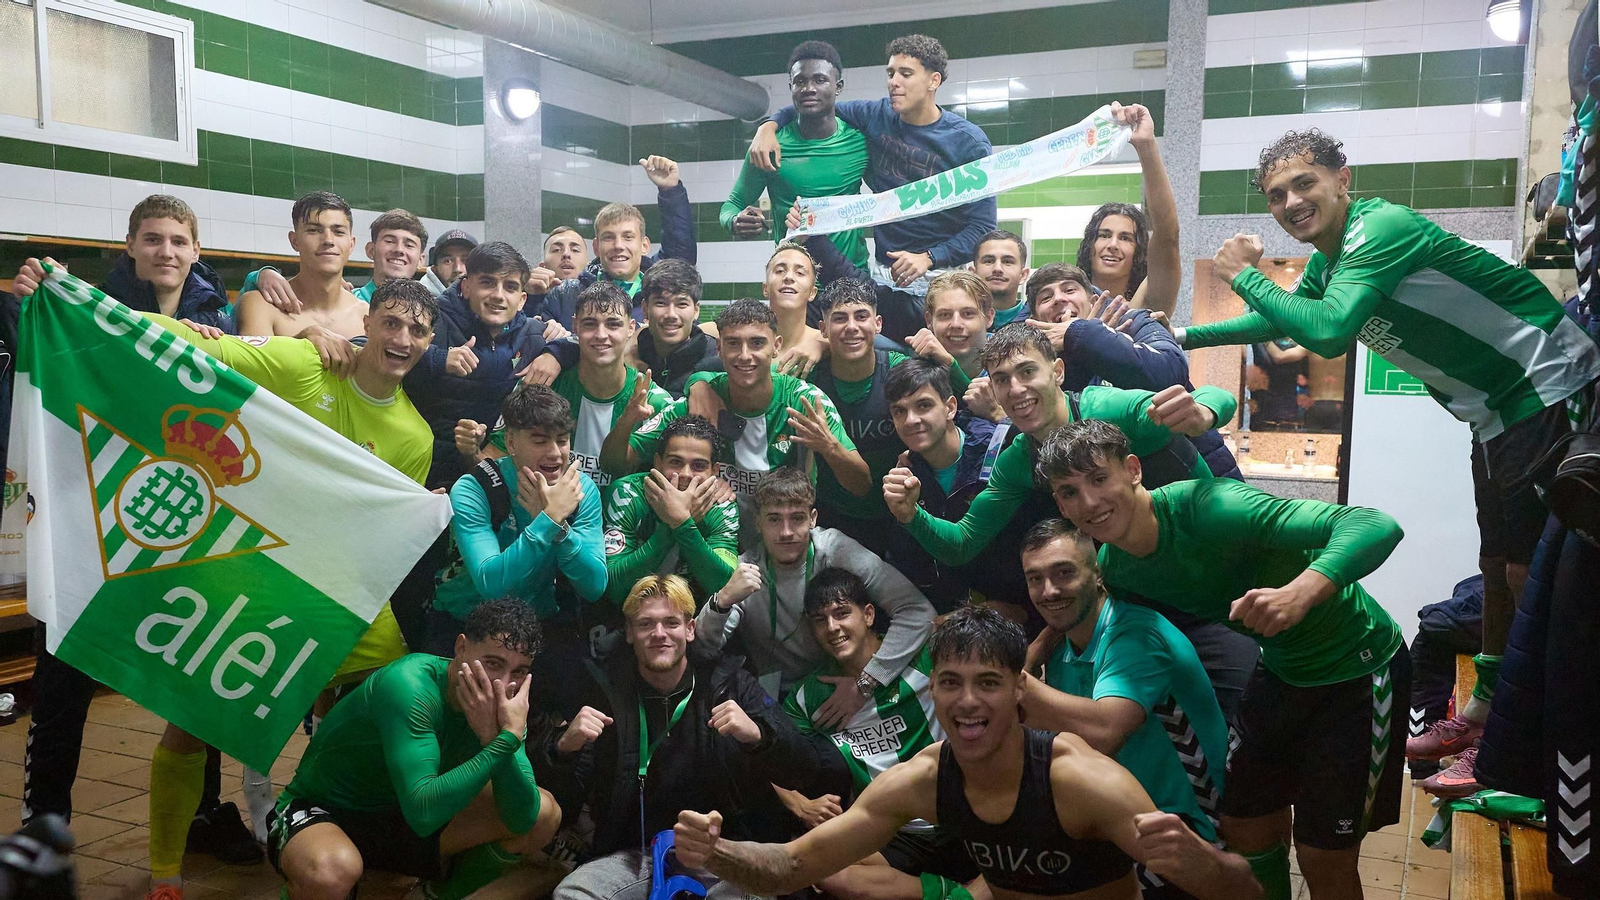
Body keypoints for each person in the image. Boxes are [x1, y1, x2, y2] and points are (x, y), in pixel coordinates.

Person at [1177, 128, 1600, 795]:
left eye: (1304, 183)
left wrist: (1243, 274)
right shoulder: (1332, 261)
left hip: (1545, 381)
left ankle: (1531, 740)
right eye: (1277, 195)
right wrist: (1180, 334)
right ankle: (1485, 716)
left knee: (1528, 572)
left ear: (1343, 179)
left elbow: (1327, 332)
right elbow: (1284, 323)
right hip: (1493, 411)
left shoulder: (1381, 227)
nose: (1291, 202)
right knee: (1496, 569)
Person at [18, 267, 444, 899]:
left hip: (332, 590)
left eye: (418, 330)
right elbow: (199, 352)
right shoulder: (307, 363)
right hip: (249, 569)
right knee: (196, 720)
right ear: (367, 323)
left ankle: (338, 838)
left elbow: (378, 532)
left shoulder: (415, 435)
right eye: (391, 323)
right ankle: (165, 874)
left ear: (430, 341)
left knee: (386, 705)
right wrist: (81, 301)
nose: (403, 339)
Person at [1038, 419, 1409, 900]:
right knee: (1244, 826)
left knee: (1322, 855)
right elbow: (1087, 604)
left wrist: (1301, 592)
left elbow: (1375, 524)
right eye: (1069, 492)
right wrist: (1030, 652)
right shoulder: (1117, 566)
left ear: (1132, 469)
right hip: (1281, 671)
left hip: (1358, 668)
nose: (1089, 502)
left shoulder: (1210, 507)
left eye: (1099, 478)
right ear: (1060, 504)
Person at [672, 606, 1263, 900]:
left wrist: (1202, 863)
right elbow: (794, 866)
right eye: (951, 682)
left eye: (988, 683)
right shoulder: (925, 778)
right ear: (933, 689)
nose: (968, 701)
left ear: (1020, 691)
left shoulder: (1081, 780)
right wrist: (715, 854)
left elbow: (1245, 891)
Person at [13, 197, 257, 872]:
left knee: (198, 683)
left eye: (178, 240)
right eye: (153, 239)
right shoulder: (84, 305)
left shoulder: (221, 320)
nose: (166, 251)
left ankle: (201, 811)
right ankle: (43, 826)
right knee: (63, 679)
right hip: (87, 520)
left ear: (197, 250)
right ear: (130, 245)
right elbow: (42, 359)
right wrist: (33, 297)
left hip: (182, 518)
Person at [545, 574, 829, 900]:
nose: (659, 634)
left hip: (726, 852)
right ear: (629, 633)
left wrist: (758, 735)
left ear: (690, 629)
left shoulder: (730, 684)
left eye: (671, 623)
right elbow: (563, 803)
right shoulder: (605, 692)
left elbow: (805, 768)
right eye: (646, 624)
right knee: (571, 894)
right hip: (639, 855)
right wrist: (562, 749)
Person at [269, 599, 562, 900]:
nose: (502, 684)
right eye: (493, 664)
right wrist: (502, 743)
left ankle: (435, 896)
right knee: (329, 874)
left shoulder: (507, 703)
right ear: (461, 647)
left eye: (519, 671)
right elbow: (423, 813)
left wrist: (496, 738)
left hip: (403, 816)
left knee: (545, 813)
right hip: (330, 810)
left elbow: (523, 818)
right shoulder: (409, 685)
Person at [883, 324, 1234, 572]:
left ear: (1058, 372)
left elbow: (1215, 395)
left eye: (1027, 372)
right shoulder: (1018, 460)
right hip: (1136, 575)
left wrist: (1203, 412)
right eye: (1002, 379)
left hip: (1209, 546)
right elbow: (962, 543)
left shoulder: (1107, 409)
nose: (1016, 389)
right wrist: (911, 515)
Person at [1017, 520, 1231, 893]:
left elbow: (1104, 734)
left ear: (1098, 574)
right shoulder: (1064, 647)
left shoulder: (1136, 637)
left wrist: (1011, 677)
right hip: (1117, 818)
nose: (1048, 591)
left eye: (1064, 572)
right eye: (1035, 579)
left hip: (1188, 829)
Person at [749, 35, 995, 309]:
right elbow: (814, 104)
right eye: (890, 73)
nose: (894, 82)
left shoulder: (968, 142)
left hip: (944, 275)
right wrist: (768, 126)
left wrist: (929, 257)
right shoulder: (876, 115)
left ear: (933, 81)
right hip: (885, 274)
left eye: (905, 74)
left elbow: (983, 227)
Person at [781, 568, 979, 900]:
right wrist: (802, 805)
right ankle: (951, 894)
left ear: (869, 614)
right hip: (891, 830)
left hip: (960, 809)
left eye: (842, 613)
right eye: (820, 620)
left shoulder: (921, 655)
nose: (832, 628)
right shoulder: (808, 696)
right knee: (819, 871)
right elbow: (769, 756)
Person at [607, 299, 868, 547]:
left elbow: (861, 484)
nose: (744, 355)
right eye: (733, 343)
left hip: (785, 546)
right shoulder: (697, 402)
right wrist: (626, 421)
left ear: (776, 346)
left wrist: (829, 447)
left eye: (757, 343)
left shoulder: (804, 401)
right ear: (719, 349)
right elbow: (615, 465)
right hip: (712, 547)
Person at [694, 468, 934, 705]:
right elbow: (704, 650)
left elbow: (917, 611)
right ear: (758, 523)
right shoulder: (745, 570)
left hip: (851, 682)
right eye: (774, 519)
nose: (786, 532)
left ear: (813, 518)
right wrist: (722, 601)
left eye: (797, 518)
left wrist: (868, 681)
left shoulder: (836, 550)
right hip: (782, 696)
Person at [433, 383, 606, 660]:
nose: (555, 453)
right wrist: (548, 519)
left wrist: (560, 530)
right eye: (540, 441)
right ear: (511, 442)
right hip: (464, 622)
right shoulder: (474, 488)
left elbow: (594, 585)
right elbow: (491, 585)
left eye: (562, 440)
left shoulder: (580, 490)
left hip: (536, 625)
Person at [404, 241, 550, 489]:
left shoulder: (534, 335)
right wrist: (437, 358)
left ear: (522, 300)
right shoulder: (431, 318)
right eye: (487, 282)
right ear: (466, 287)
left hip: (483, 478)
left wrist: (555, 355)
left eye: (510, 287)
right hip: (417, 473)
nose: (498, 295)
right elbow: (373, 347)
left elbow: (585, 345)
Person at [883, 359, 1023, 617]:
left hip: (1024, 602)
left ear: (950, 407)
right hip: (958, 615)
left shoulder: (1000, 448)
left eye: (923, 405)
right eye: (899, 411)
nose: (911, 420)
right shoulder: (906, 475)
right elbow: (912, 563)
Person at [721, 40, 869, 270]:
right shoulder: (768, 147)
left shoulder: (859, 141)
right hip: (793, 278)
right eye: (800, 81)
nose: (808, 88)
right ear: (791, 87)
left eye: (820, 80)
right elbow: (732, 204)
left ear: (838, 86)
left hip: (851, 277)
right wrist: (734, 221)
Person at [518, 258, 722, 400]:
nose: (671, 314)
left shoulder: (716, 359)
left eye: (682, 304)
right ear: (645, 309)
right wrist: (555, 354)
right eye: (660, 303)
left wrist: (700, 380)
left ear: (696, 310)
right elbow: (591, 342)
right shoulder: (629, 348)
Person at [807, 279, 911, 554]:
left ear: (878, 324)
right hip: (832, 516)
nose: (851, 326)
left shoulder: (901, 371)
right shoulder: (809, 378)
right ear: (823, 329)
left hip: (899, 516)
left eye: (861, 316)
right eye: (840, 318)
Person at [538, 157, 697, 329]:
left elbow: (680, 252)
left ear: (644, 246)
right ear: (596, 247)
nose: (618, 245)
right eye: (609, 237)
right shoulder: (566, 295)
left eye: (628, 237)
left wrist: (670, 191)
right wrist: (533, 299)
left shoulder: (659, 291)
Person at [548, 282, 672, 494]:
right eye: (590, 324)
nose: (601, 335)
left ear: (631, 328)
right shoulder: (548, 386)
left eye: (613, 324)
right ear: (575, 326)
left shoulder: (657, 403)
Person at [602, 415, 738, 606]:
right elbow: (614, 587)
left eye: (698, 466)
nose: (685, 474)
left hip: (694, 616)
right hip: (626, 613)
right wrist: (679, 522)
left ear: (715, 471)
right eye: (675, 462)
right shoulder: (627, 494)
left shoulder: (721, 504)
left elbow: (724, 586)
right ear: (657, 462)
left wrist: (681, 524)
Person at [1076, 102, 1179, 318]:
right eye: (1104, 235)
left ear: (1139, 252)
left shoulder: (1146, 307)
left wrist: (1146, 145)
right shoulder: (1063, 302)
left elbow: (1167, 235)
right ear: (1090, 245)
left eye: (1125, 238)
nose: (1112, 245)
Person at [234, 192, 369, 338]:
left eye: (339, 232)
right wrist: (302, 341)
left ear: (351, 244)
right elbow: (255, 354)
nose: (328, 240)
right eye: (313, 230)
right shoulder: (260, 305)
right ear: (294, 241)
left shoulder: (367, 316)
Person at [908, 270, 993, 396]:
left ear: (989, 318)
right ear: (929, 321)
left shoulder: (1011, 361)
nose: (956, 324)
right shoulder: (915, 371)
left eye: (968, 314)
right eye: (945, 315)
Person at [973, 230, 1030, 331]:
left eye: (1007, 261)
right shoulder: (955, 321)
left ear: (1023, 275)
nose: (997, 268)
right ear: (973, 273)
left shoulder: (1039, 322)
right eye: (988, 261)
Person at [421, 229, 478, 297]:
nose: (457, 269)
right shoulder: (418, 301)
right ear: (435, 269)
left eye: (466, 261)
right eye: (448, 261)